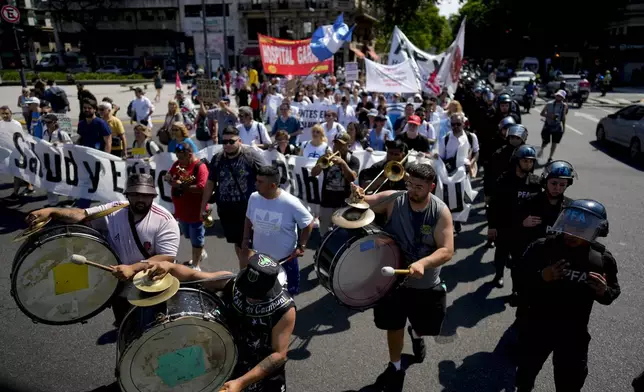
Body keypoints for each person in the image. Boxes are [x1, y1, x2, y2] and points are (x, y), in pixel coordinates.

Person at [25, 174, 180, 330]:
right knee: (125, 328)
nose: (140, 199)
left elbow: (167, 257)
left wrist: (133, 268)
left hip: (152, 285)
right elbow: (82, 215)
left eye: (145, 195)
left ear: (153, 195)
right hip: (119, 284)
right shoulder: (114, 210)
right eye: (135, 194)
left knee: (152, 331)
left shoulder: (165, 221)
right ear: (127, 195)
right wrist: (52, 211)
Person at [352, 163, 454, 392]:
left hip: (425, 284)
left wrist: (422, 263)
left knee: (426, 326)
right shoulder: (394, 199)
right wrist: (357, 194)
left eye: (419, 186)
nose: (412, 190)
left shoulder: (440, 211)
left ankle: (417, 333)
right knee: (393, 325)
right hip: (393, 282)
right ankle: (395, 365)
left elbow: (447, 250)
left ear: (431, 187)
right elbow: (365, 201)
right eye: (409, 184)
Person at [140, 253, 295, 392]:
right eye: (246, 288)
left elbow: (279, 355)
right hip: (226, 362)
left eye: (254, 293)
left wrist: (241, 383)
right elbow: (194, 275)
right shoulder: (231, 282)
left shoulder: (284, 309)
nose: (247, 295)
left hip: (260, 377)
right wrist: (171, 267)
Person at [515, 199, 620, 392]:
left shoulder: (600, 260)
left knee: (569, 383)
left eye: (580, 231)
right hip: (537, 326)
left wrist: (603, 292)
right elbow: (520, 279)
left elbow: (613, 291)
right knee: (525, 376)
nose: (571, 235)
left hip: (573, 333)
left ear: (595, 232)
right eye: (568, 227)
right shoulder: (542, 247)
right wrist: (542, 276)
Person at [243, 166, 314, 295]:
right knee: (261, 295)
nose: (255, 184)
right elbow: (248, 219)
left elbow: (308, 223)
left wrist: (301, 246)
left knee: (287, 297)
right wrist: (245, 240)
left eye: (260, 182)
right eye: (256, 180)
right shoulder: (254, 198)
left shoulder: (290, 203)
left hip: (285, 261)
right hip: (260, 260)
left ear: (273, 185)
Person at [201, 126, 266, 265]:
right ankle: (247, 270)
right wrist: (203, 206)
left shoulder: (251, 156)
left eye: (231, 141)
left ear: (240, 141)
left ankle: (248, 273)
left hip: (248, 208)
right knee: (238, 244)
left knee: (247, 245)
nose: (227, 145)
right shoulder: (217, 158)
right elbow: (210, 182)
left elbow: (267, 177)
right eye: (224, 142)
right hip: (227, 210)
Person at [487, 145, 541, 290]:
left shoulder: (535, 183)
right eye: (525, 161)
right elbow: (494, 206)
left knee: (519, 260)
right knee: (501, 254)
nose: (528, 164)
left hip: (524, 230)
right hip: (505, 226)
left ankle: (516, 289)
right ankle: (498, 275)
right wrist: (492, 226)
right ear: (517, 161)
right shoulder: (504, 180)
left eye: (531, 161)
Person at [165, 142, 209, 270]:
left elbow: (202, 187)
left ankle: (196, 265)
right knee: (188, 234)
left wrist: (180, 185)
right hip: (182, 211)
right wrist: (168, 177)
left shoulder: (200, 167)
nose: (179, 161)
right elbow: (170, 172)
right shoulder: (178, 164)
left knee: (196, 238)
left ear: (190, 155)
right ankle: (201, 252)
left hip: (196, 211)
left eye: (182, 158)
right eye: (177, 157)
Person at [311, 132, 360, 234]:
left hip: (343, 203)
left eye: (341, 144)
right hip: (326, 202)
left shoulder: (353, 160)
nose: (338, 147)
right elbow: (313, 173)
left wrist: (343, 163)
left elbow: (352, 177)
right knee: (323, 233)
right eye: (336, 143)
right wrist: (321, 163)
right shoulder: (326, 157)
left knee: (340, 234)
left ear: (348, 146)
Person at [41, 114, 72, 206]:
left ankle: (70, 199)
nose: (47, 124)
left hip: (61, 162)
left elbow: (70, 146)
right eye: (45, 122)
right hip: (49, 162)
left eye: (49, 122)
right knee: (49, 182)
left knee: (65, 181)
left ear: (55, 122)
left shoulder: (61, 133)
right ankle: (53, 203)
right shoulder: (45, 133)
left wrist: (60, 144)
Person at [539, 90, 568, 163]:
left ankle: (550, 157)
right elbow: (542, 113)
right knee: (545, 142)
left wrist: (564, 127)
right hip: (548, 125)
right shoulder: (549, 104)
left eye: (560, 96)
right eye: (558, 96)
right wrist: (550, 116)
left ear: (563, 98)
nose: (558, 97)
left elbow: (563, 117)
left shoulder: (564, 106)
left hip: (557, 127)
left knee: (554, 143)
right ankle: (541, 149)